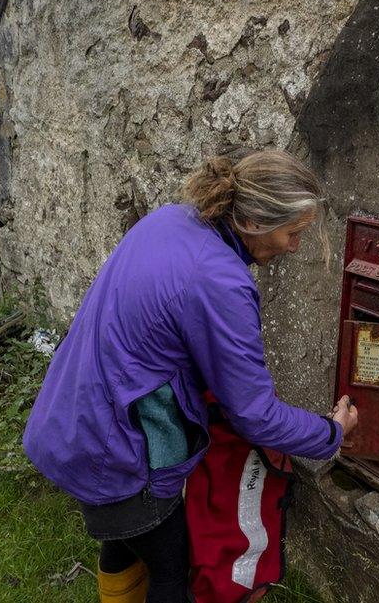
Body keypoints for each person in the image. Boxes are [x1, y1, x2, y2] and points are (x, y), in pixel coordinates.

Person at [22, 149, 359, 603]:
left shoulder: (172, 220)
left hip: (71, 417)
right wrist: (330, 433)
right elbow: (254, 414)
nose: (295, 247)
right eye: (293, 233)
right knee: (170, 569)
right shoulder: (221, 280)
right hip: (117, 448)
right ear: (255, 223)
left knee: (122, 540)